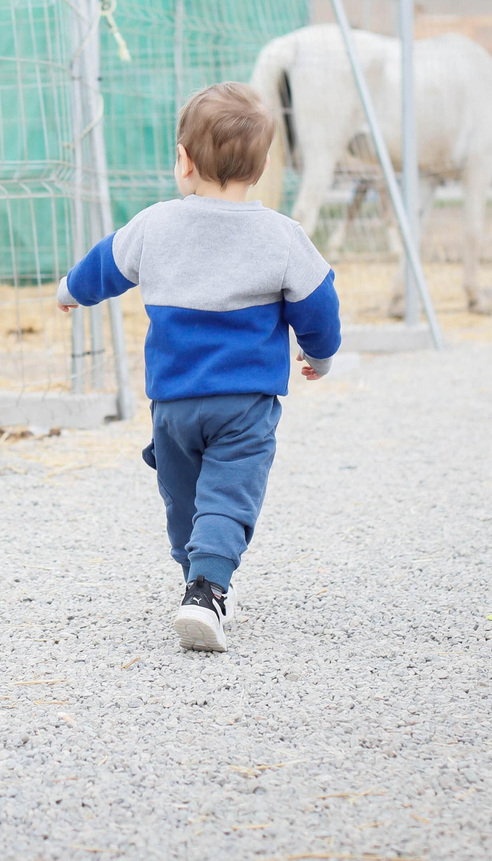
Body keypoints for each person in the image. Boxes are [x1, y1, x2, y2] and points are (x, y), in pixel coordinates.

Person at [56, 82, 340, 652]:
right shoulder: (283, 237)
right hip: (245, 402)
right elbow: (320, 306)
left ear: (183, 162)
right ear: (259, 170)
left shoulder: (155, 225)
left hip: (174, 402)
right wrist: (319, 355)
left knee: (182, 496)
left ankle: (197, 577)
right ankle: (207, 589)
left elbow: (102, 266)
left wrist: (70, 291)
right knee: (228, 495)